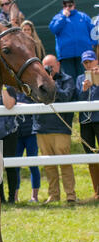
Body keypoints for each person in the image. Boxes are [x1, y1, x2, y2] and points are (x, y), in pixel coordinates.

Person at [34, 54, 77, 203]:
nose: (48, 69)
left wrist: (52, 85)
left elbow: (66, 96)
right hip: (42, 128)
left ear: (58, 65)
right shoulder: (38, 82)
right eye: (46, 67)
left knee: (65, 163)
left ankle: (70, 195)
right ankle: (54, 195)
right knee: (49, 166)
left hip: (61, 128)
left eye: (51, 66)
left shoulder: (67, 79)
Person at [49, 0, 95, 82]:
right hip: (66, 55)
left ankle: (85, 94)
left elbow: (93, 30)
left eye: (70, 5)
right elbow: (54, 29)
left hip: (83, 54)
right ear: (63, 7)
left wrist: (93, 43)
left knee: (85, 77)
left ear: (74, 5)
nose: (68, 7)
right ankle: (71, 95)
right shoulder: (58, 17)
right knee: (70, 79)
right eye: (66, 6)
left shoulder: (83, 17)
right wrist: (63, 17)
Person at [76, 50, 99, 200]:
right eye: (85, 62)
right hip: (85, 121)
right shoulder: (79, 79)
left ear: (96, 61)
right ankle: (96, 191)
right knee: (90, 156)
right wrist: (84, 89)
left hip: (98, 119)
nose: (88, 64)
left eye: (90, 61)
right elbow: (77, 98)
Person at [14, 92, 41, 203]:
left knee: (33, 165)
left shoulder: (29, 91)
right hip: (16, 134)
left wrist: (20, 105)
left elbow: (37, 104)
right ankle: (15, 196)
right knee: (15, 166)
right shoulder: (11, 91)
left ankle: (34, 196)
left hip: (31, 133)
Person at [0, 85, 19, 204]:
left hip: (9, 132)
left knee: (10, 166)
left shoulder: (9, 89)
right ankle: (0, 199)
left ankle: (11, 198)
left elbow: (9, 105)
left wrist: (2, 88)